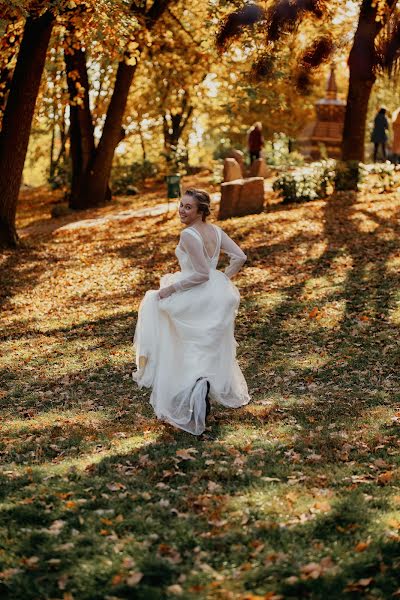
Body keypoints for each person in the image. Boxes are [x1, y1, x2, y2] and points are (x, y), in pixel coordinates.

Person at [132, 188, 250, 435]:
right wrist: (222, 280)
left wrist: (171, 289)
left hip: (192, 295)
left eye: (188, 207)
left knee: (183, 344)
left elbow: (200, 274)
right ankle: (201, 388)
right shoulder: (216, 232)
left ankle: (195, 392)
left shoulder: (188, 235)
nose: (182, 211)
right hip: (215, 297)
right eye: (181, 205)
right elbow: (239, 257)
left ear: (200, 211)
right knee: (205, 346)